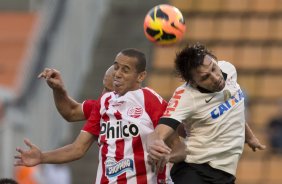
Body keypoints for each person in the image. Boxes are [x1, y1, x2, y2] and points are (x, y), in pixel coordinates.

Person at [15, 48, 172, 184]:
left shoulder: (149, 100)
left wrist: (166, 155)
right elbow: (76, 141)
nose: (105, 93)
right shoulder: (103, 103)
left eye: (107, 89)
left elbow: (177, 143)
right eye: (104, 87)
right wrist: (42, 157)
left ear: (140, 76)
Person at [147, 43, 266, 184]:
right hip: (196, 171)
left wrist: (250, 138)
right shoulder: (185, 97)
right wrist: (155, 144)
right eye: (205, 77)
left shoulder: (229, 69)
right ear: (192, 82)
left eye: (214, 68)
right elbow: (160, 131)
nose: (216, 77)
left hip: (224, 174)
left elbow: (235, 108)